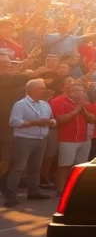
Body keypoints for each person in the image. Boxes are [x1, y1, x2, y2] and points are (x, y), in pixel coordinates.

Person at [4, 79, 56, 207]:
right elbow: (14, 121)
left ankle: (34, 191)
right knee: (18, 168)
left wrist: (51, 122)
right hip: (24, 139)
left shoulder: (45, 104)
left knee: (35, 167)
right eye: (41, 88)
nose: (44, 90)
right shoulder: (20, 104)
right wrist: (35, 123)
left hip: (41, 139)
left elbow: (51, 118)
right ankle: (11, 195)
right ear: (32, 90)